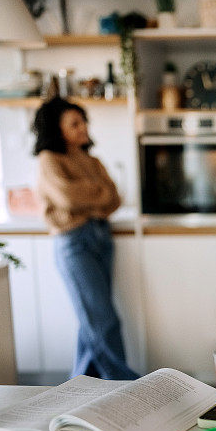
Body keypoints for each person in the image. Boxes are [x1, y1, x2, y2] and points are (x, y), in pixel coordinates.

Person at [33, 97, 138, 380]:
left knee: (91, 320)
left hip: (101, 238)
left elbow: (114, 198)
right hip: (74, 241)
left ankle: (80, 385)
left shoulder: (92, 160)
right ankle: (124, 383)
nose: (83, 128)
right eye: (74, 123)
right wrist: (96, 195)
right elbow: (67, 197)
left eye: (84, 122)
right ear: (57, 129)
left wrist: (88, 197)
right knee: (103, 320)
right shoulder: (49, 159)